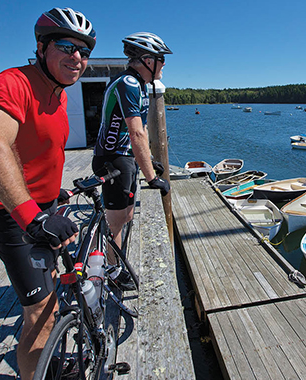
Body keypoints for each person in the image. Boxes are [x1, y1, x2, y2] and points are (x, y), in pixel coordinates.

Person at [0, 8, 95, 380]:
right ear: (41, 47)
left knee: (55, 297)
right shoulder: (13, 83)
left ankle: (51, 363)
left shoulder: (58, 95)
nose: (77, 57)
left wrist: (50, 196)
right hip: (14, 219)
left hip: (44, 209)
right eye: (66, 46)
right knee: (42, 316)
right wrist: (32, 215)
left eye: (83, 51)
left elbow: (37, 153)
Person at [91, 32, 172, 290]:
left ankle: (106, 260)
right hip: (114, 158)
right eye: (161, 59)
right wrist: (152, 178)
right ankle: (111, 270)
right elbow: (135, 132)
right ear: (147, 60)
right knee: (116, 220)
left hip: (124, 157)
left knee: (124, 216)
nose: (164, 65)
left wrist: (148, 160)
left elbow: (142, 133)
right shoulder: (128, 83)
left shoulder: (138, 84)